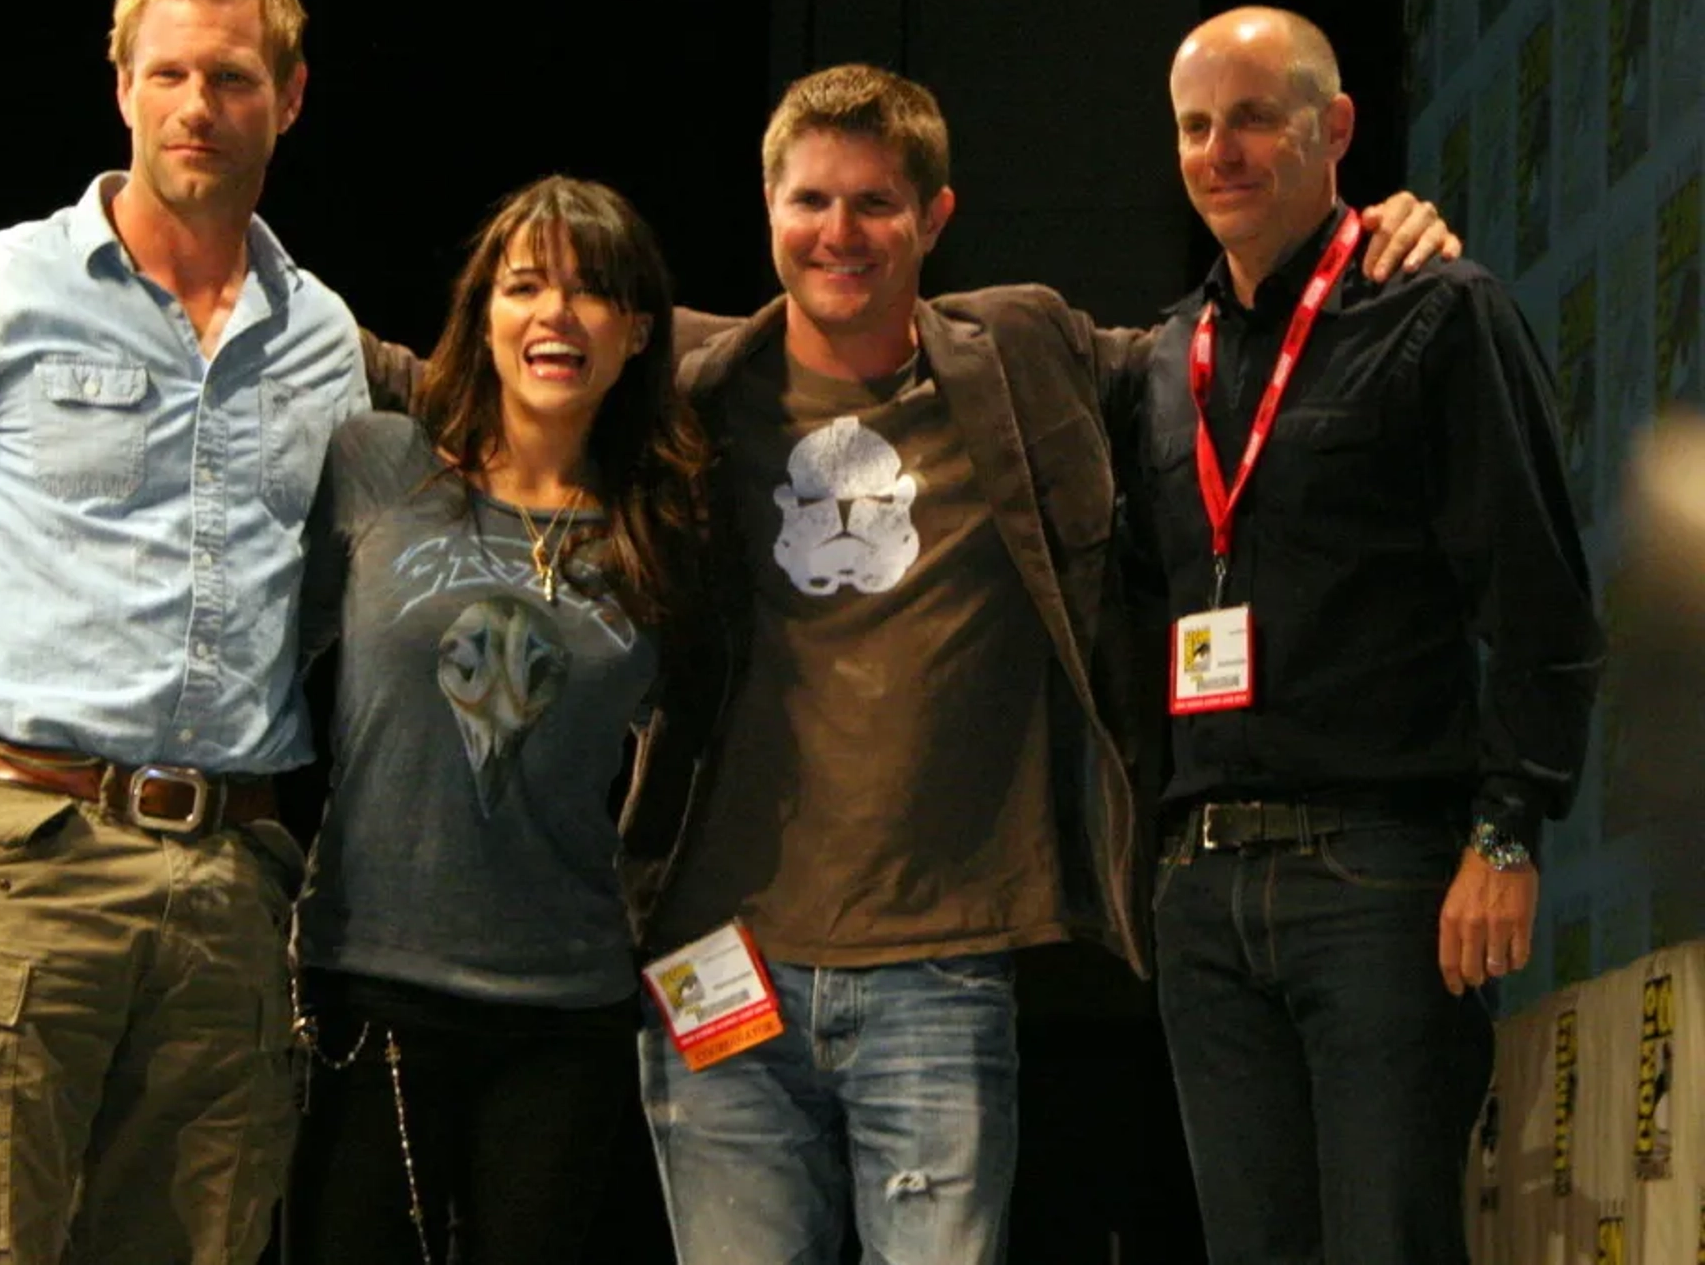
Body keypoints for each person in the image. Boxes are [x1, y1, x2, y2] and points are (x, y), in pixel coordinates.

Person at [590, 62, 1456, 1265]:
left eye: (877, 203)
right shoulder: (682, 389)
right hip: (715, 957)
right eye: (812, 201)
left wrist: (1367, 241)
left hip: (935, 975)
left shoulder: (1019, 354)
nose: (841, 233)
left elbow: (1234, 351)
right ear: (768, 205)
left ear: (935, 218)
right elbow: (482, 375)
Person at [0, 0, 368, 1265]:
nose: (198, 105)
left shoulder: (325, 341)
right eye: (169, 71)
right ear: (120, 82)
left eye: (234, 76)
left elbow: (330, 609)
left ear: (289, 98)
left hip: (232, 885)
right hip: (18, 857)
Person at [1133, 7, 1603, 1265]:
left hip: (1382, 880)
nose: (1220, 150)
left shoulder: (1438, 311)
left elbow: (1543, 602)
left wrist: (1507, 830)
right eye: (1194, 125)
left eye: (1253, 118)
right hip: (1202, 890)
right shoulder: (1164, 357)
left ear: (1333, 128)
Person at [287, 177, 710, 1264]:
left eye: (593, 292)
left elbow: (706, 750)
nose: (556, 315)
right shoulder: (379, 466)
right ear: (484, 316)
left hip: (563, 1007)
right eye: (525, 286)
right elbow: (260, 650)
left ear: (639, 332)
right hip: (368, 980)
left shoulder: (665, 529)